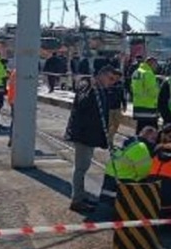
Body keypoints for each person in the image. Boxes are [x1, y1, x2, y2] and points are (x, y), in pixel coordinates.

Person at [64, 65, 119, 214]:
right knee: (81, 167)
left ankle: (81, 195)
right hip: (83, 134)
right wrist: (91, 90)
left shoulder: (101, 89)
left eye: (114, 80)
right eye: (111, 78)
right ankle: (77, 200)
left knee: (84, 166)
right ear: (101, 75)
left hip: (90, 134)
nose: (112, 82)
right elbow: (82, 103)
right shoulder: (88, 85)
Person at [100, 126, 157, 201]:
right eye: (153, 139)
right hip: (123, 179)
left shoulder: (130, 141)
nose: (154, 142)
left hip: (110, 174)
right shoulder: (142, 147)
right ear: (147, 136)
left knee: (106, 201)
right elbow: (144, 172)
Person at [131, 57, 160, 131]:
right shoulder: (148, 73)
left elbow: (132, 87)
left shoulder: (136, 72)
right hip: (148, 107)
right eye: (155, 64)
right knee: (151, 131)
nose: (156, 67)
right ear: (151, 63)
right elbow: (152, 91)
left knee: (140, 129)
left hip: (138, 105)